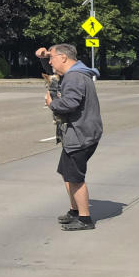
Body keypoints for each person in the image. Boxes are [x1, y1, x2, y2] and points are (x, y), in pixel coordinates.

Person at [46, 43, 102, 231]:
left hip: (80, 134)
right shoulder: (76, 74)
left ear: (63, 58)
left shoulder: (74, 77)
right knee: (66, 172)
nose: (50, 62)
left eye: (52, 57)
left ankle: (85, 219)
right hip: (78, 134)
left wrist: (52, 103)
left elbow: (70, 103)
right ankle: (75, 210)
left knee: (76, 177)